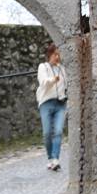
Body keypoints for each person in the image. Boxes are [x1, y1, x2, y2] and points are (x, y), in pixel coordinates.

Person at [36, 43, 67, 171]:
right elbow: (43, 82)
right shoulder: (43, 67)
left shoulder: (62, 69)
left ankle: (55, 159)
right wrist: (53, 79)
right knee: (47, 133)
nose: (57, 57)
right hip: (46, 103)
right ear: (50, 55)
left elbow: (66, 84)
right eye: (55, 54)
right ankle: (50, 158)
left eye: (59, 55)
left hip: (60, 104)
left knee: (58, 131)